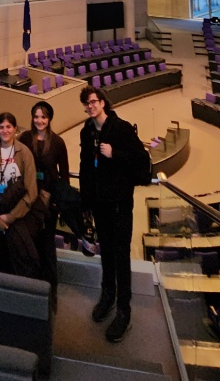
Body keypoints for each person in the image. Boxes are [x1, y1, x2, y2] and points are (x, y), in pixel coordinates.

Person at [79, 85, 147, 343]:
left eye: (94, 101)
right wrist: (86, 202)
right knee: (105, 253)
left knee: (120, 256)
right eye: (87, 103)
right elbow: (85, 166)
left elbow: (141, 161)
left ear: (103, 102)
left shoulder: (121, 128)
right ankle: (107, 296)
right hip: (99, 204)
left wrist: (115, 154)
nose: (91, 106)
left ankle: (123, 310)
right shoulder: (87, 131)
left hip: (119, 205)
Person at [18, 101, 69, 298]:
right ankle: (32, 288)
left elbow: (64, 175)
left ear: (49, 119)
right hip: (28, 200)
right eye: (36, 116)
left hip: (48, 203)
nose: (39, 120)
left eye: (43, 117)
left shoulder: (57, 142)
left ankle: (50, 290)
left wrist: (58, 200)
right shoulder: (24, 138)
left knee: (47, 246)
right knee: (30, 243)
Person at [0, 113, 40, 279]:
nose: (5, 130)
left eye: (9, 127)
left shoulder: (24, 153)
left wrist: (11, 217)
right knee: (1, 265)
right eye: (1, 127)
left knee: (19, 265)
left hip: (18, 218)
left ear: (15, 129)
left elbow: (31, 191)